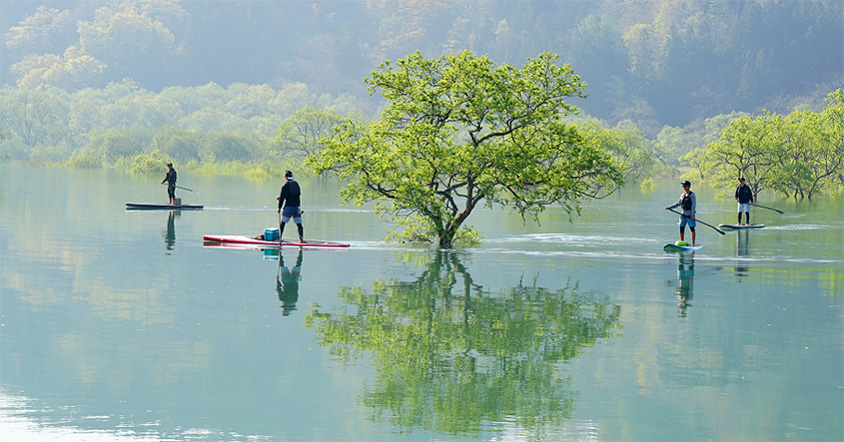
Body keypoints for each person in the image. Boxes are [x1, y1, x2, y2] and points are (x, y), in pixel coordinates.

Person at [665, 180, 696, 245]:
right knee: (681, 228)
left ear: (688, 186)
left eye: (685, 186)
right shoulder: (682, 195)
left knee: (692, 228)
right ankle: (682, 242)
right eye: (683, 186)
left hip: (690, 214)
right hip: (683, 214)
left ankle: (693, 243)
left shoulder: (692, 195)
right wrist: (670, 207)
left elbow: (693, 205)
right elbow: (678, 203)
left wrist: (692, 215)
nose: (684, 187)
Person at [277, 170, 305, 243]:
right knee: (299, 224)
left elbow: (282, 198)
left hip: (289, 207)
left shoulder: (285, 185)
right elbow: (296, 195)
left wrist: (279, 208)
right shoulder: (296, 184)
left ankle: (279, 238)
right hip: (297, 207)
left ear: (286, 178)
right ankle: (301, 239)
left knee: (282, 223)